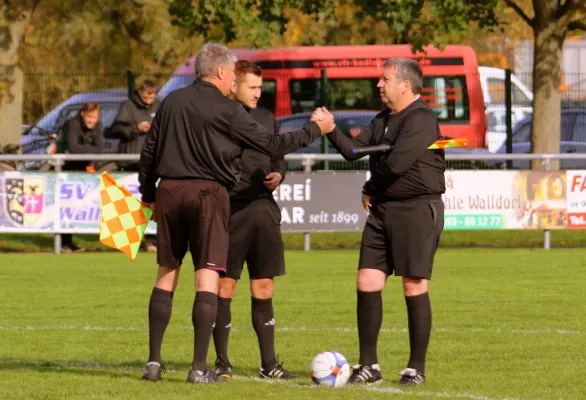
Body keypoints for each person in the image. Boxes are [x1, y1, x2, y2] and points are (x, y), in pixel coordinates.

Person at [137, 42, 334, 384]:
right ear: (221, 72)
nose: (233, 81)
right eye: (231, 74)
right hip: (209, 195)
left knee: (166, 273)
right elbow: (273, 145)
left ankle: (153, 362)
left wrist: (149, 193)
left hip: (169, 191)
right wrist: (316, 131)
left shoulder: (171, 102)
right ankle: (200, 368)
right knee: (207, 276)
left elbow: (149, 151)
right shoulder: (228, 110)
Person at [313, 57, 445, 386]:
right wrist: (331, 131)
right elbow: (355, 151)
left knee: (414, 284)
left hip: (416, 210)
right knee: (367, 281)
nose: (379, 84)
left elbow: (396, 164)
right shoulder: (383, 118)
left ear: (406, 85)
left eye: (385, 79)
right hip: (383, 210)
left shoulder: (422, 119)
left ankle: (415, 368)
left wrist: (368, 188)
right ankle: (369, 366)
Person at [210, 60, 293, 381]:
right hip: (229, 211)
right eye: (252, 87)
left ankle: (269, 364)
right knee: (225, 286)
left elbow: (278, 156)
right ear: (234, 85)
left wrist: (279, 174)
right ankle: (221, 363)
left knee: (264, 285)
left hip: (263, 209)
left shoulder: (265, 117)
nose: (259, 93)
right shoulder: (220, 118)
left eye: (261, 87)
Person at [109, 80, 161, 252]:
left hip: (152, 162)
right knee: (129, 204)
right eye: (147, 95)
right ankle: (126, 239)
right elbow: (114, 129)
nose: (149, 98)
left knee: (151, 202)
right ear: (140, 92)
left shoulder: (159, 106)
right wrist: (135, 128)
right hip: (130, 163)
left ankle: (151, 239)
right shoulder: (127, 106)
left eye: (152, 95)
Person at [56, 102, 104, 253]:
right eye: (89, 117)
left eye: (94, 117)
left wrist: (86, 151)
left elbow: (100, 148)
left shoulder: (98, 126)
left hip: (83, 169)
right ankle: (62, 242)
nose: (92, 120)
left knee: (77, 206)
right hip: (66, 169)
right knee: (65, 206)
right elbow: (73, 147)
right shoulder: (72, 124)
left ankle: (68, 242)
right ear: (82, 114)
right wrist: (91, 150)